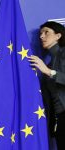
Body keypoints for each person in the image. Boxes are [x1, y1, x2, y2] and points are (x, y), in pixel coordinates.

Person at [28, 21, 65, 150]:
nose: (41, 36)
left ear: (58, 36)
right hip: (59, 120)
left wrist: (48, 72)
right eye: (40, 33)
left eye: (46, 32)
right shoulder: (48, 64)